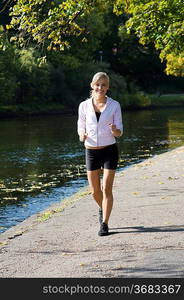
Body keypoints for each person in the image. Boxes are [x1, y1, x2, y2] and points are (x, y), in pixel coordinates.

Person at [77, 72, 123, 236]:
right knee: (95, 191)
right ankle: (102, 208)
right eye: (98, 84)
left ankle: (104, 224)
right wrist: (81, 135)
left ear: (107, 87)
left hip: (109, 150)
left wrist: (114, 130)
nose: (100, 88)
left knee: (106, 189)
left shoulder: (114, 105)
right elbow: (80, 126)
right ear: (92, 85)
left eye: (103, 85)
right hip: (91, 151)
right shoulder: (83, 106)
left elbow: (119, 133)